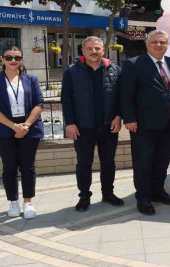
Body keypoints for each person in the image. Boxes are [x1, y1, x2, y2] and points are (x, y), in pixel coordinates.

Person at [120, 30, 170, 215]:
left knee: (162, 161)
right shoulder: (133, 64)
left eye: (162, 42)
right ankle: (143, 197)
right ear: (147, 44)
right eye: (154, 42)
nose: (158, 45)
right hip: (142, 125)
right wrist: (129, 118)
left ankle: (158, 192)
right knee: (143, 162)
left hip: (168, 124)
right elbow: (126, 94)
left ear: (167, 45)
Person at [62, 36, 124, 212]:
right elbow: (66, 100)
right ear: (83, 51)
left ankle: (108, 193)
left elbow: (121, 97)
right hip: (83, 127)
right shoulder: (72, 71)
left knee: (108, 162)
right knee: (83, 163)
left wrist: (119, 116)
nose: (94, 52)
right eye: (90, 48)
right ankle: (84, 196)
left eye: (97, 48)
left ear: (103, 50)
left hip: (108, 126)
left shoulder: (115, 69)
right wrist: (70, 123)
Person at [0, 46, 44, 219]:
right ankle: (13, 202)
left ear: (22, 60)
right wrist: (13, 126)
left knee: (28, 166)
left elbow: (39, 103)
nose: (13, 61)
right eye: (9, 57)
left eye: (17, 58)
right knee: (9, 167)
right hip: (4, 131)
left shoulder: (31, 79)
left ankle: (28, 202)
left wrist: (25, 125)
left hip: (29, 130)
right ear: (2, 59)